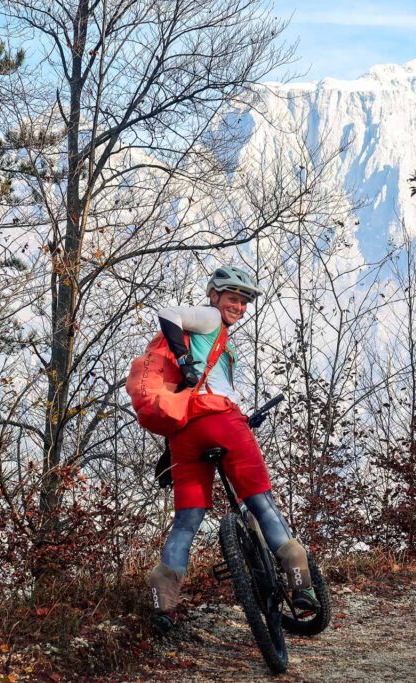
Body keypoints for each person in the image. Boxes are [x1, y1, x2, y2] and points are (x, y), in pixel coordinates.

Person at [143, 266, 317, 634]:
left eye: (244, 301)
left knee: (186, 522)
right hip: (221, 421)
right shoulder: (208, 319)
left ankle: (163, 604)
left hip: (185, 434)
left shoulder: (212, 338)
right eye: (232, 298)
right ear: (214, 296)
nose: (238, 305)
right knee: (261, 503)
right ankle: (301, 584)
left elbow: (191, 392)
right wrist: (189, 363)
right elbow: (168, 312)